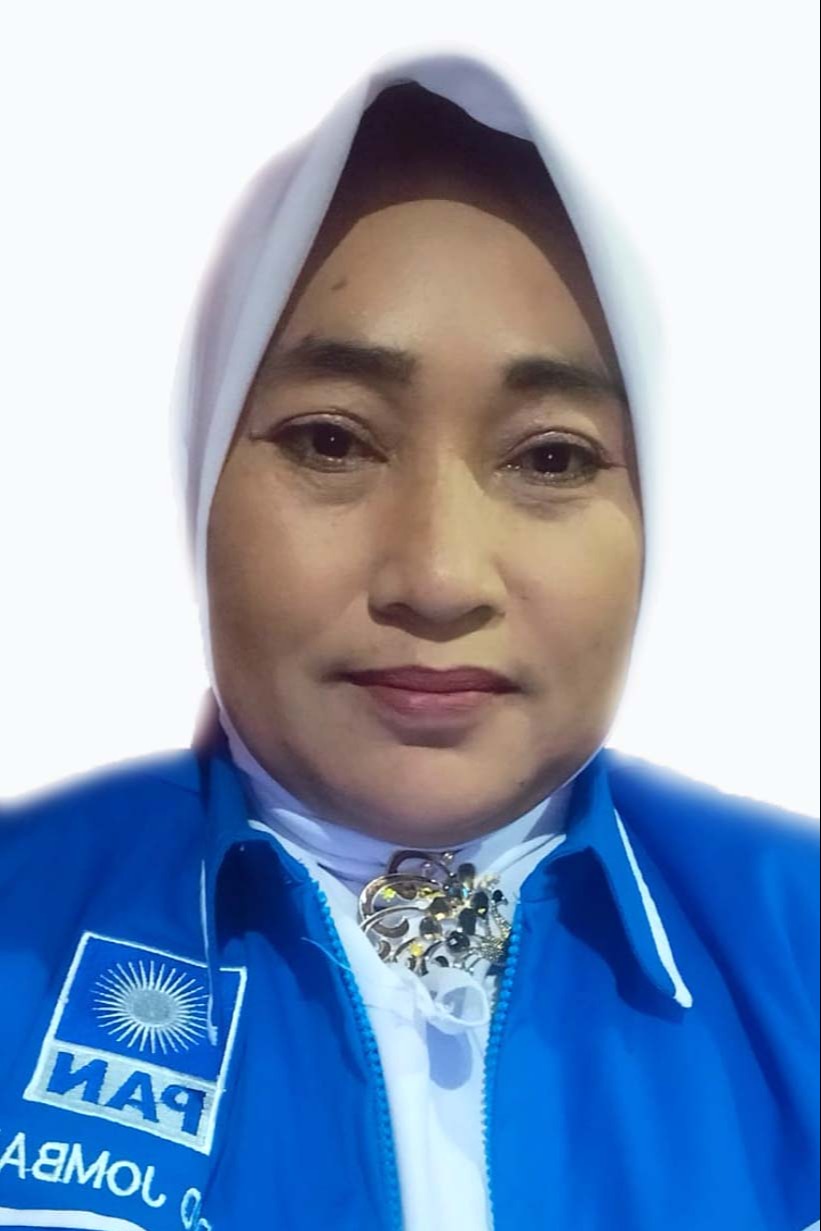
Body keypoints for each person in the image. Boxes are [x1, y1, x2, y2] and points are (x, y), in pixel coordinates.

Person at [0, 49, 818, 1231]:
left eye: (550, 457)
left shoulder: (794, 945)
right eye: (331, 441)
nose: (438, 577)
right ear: (200, 476)